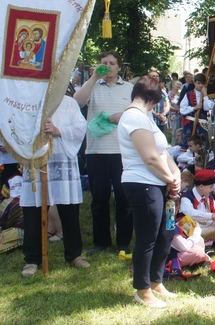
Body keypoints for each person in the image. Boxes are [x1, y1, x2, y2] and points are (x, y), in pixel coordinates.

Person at [118, 77, 181, 308]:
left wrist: (176, 176)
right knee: (147, 238)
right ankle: (142, 290)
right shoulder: (133, 117)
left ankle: (156, 280)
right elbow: (150, 158)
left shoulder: (146, 117)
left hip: (161, 184)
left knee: (166, 233)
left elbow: (163, 152)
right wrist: (170, 180)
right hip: (143, 184)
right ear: (153, 98)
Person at [20, 96, 89, 278]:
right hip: (37, 161)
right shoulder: (29, 100)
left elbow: (81, 127)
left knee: (69, 209)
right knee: (34, 211)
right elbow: (18, 125)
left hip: (62, 160)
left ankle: (74, 254)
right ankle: (32, 259)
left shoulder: (69, 102)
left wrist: (58, 130)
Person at [73, 50, 134, 256]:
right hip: (96, 151)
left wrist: (123, 115)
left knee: (123, 197)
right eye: (104, 63)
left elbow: (140, 111)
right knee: (99, 198)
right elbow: (78, 101)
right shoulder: (93, 86)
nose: (108, 66)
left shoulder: (129, 88)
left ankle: (123, 242)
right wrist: (93, 78)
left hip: (122, 151)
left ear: (119, 67)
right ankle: (101, 242)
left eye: (112, 63)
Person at [179, 169, 215, 241]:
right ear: (201, 186)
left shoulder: (209, 197)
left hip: (204, 225)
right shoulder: (186, 198)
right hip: (191, 226)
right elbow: (190, 213)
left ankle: (211, 242)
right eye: (210, 187)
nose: (212, 190)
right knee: (191, 228)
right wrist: (211, 215)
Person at [179, 73, 214, 150]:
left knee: (202, 146)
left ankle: (201, 160)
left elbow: (208, 107)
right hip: (190, 123)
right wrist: (194, 108)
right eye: (198, 83)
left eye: (202, 83)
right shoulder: (188, 94)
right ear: (194, 82)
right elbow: (182, 109)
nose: (200, 85)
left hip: (201, 124)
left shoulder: (208, 96)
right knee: (187, 146)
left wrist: (205, 95)